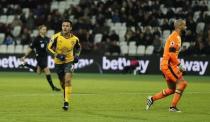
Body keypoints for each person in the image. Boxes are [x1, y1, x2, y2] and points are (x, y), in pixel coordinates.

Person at [146, 19, 188, 112]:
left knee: (172, 89)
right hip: (168, 65)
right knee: (182, 83)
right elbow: (171, 54)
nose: (186, 27)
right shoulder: (175, 37)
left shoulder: (177, 37)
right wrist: (179, 64)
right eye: (184, 25)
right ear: (179, 26)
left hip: (168, 65)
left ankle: (151, 99)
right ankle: (172, 107)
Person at [47, 20, 81, 111]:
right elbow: (48, 48)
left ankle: (66, 102)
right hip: (58, 63)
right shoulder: (56, 37)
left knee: (68, 80)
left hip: (69, 61)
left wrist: (77, 55)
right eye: (63, 26)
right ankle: (66, 93)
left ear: (70, 28)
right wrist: (57, 55)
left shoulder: (75, 39)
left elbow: (78, 47)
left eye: (67, 26)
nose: (65, 27)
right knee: (62, 83)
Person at [20, 25, 61, 91]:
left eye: (45, 29)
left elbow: (51, 47)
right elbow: (31, 48)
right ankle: (53, 87)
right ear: (40, 30)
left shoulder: (47, 39)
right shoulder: (36, 39)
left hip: (45, 57)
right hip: (39, 57)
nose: (45, 30)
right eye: (43, 29)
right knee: (47, 70)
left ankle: (25, 64)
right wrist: (25, 56)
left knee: (38, 72)